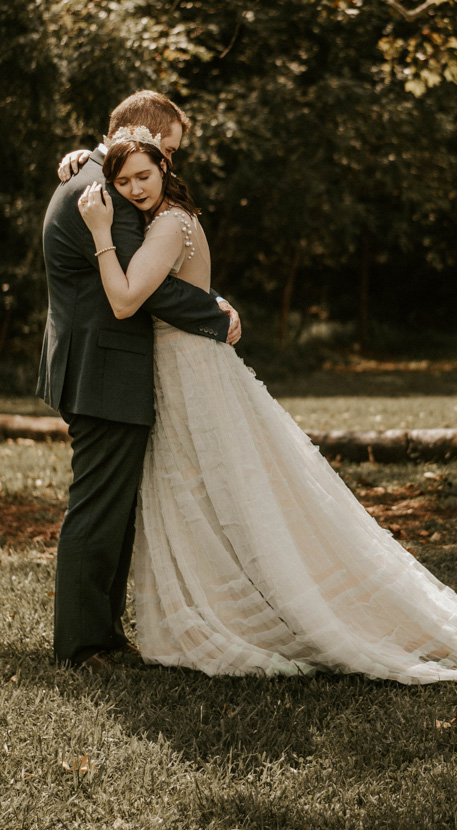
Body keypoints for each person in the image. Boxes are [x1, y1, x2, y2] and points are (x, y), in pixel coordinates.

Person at [74, 123, 457, 689]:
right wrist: (81, 162)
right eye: (123, 182)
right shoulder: (176, 218)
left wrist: (101, 232)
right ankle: (225, 600)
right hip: (186, 366)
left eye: (143, 177)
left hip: (188, 369)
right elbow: (189, 290)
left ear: (164, 166)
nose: (133, 189)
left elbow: (128, 300)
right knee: (205, 492)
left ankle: (253, 610)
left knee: (221, 492)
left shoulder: (163, 223)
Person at [38, 91, 241, 671]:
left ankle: (102, 634)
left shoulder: (94, 175)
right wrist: (216, 310)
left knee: (112, 507)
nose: (172, 163)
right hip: (102, 369)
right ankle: (82, 647)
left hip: (98, 364)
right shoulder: (102, 194)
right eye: (169, 149)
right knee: (99, 509)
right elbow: (139, 288)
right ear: (143, 135)